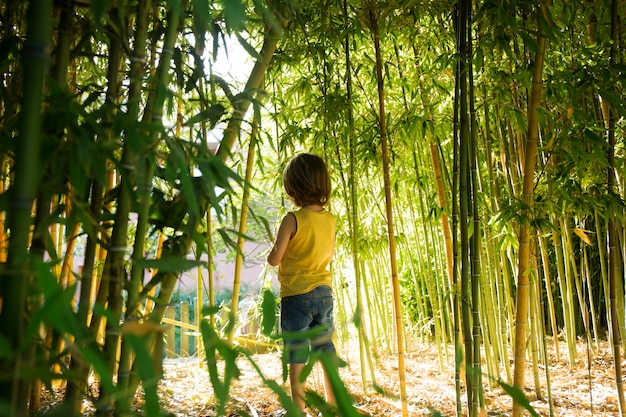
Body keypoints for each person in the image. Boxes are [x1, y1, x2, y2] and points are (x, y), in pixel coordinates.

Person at [267, 153, 338, 416]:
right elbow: (328, 254)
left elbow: (275, 259)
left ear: (292, 188)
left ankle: (297, 409)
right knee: (325, 347)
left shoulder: (292, 219)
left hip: (296, 296)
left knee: (297, 353)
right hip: (324, 292)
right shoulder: (330, 220)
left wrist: (273, 247)